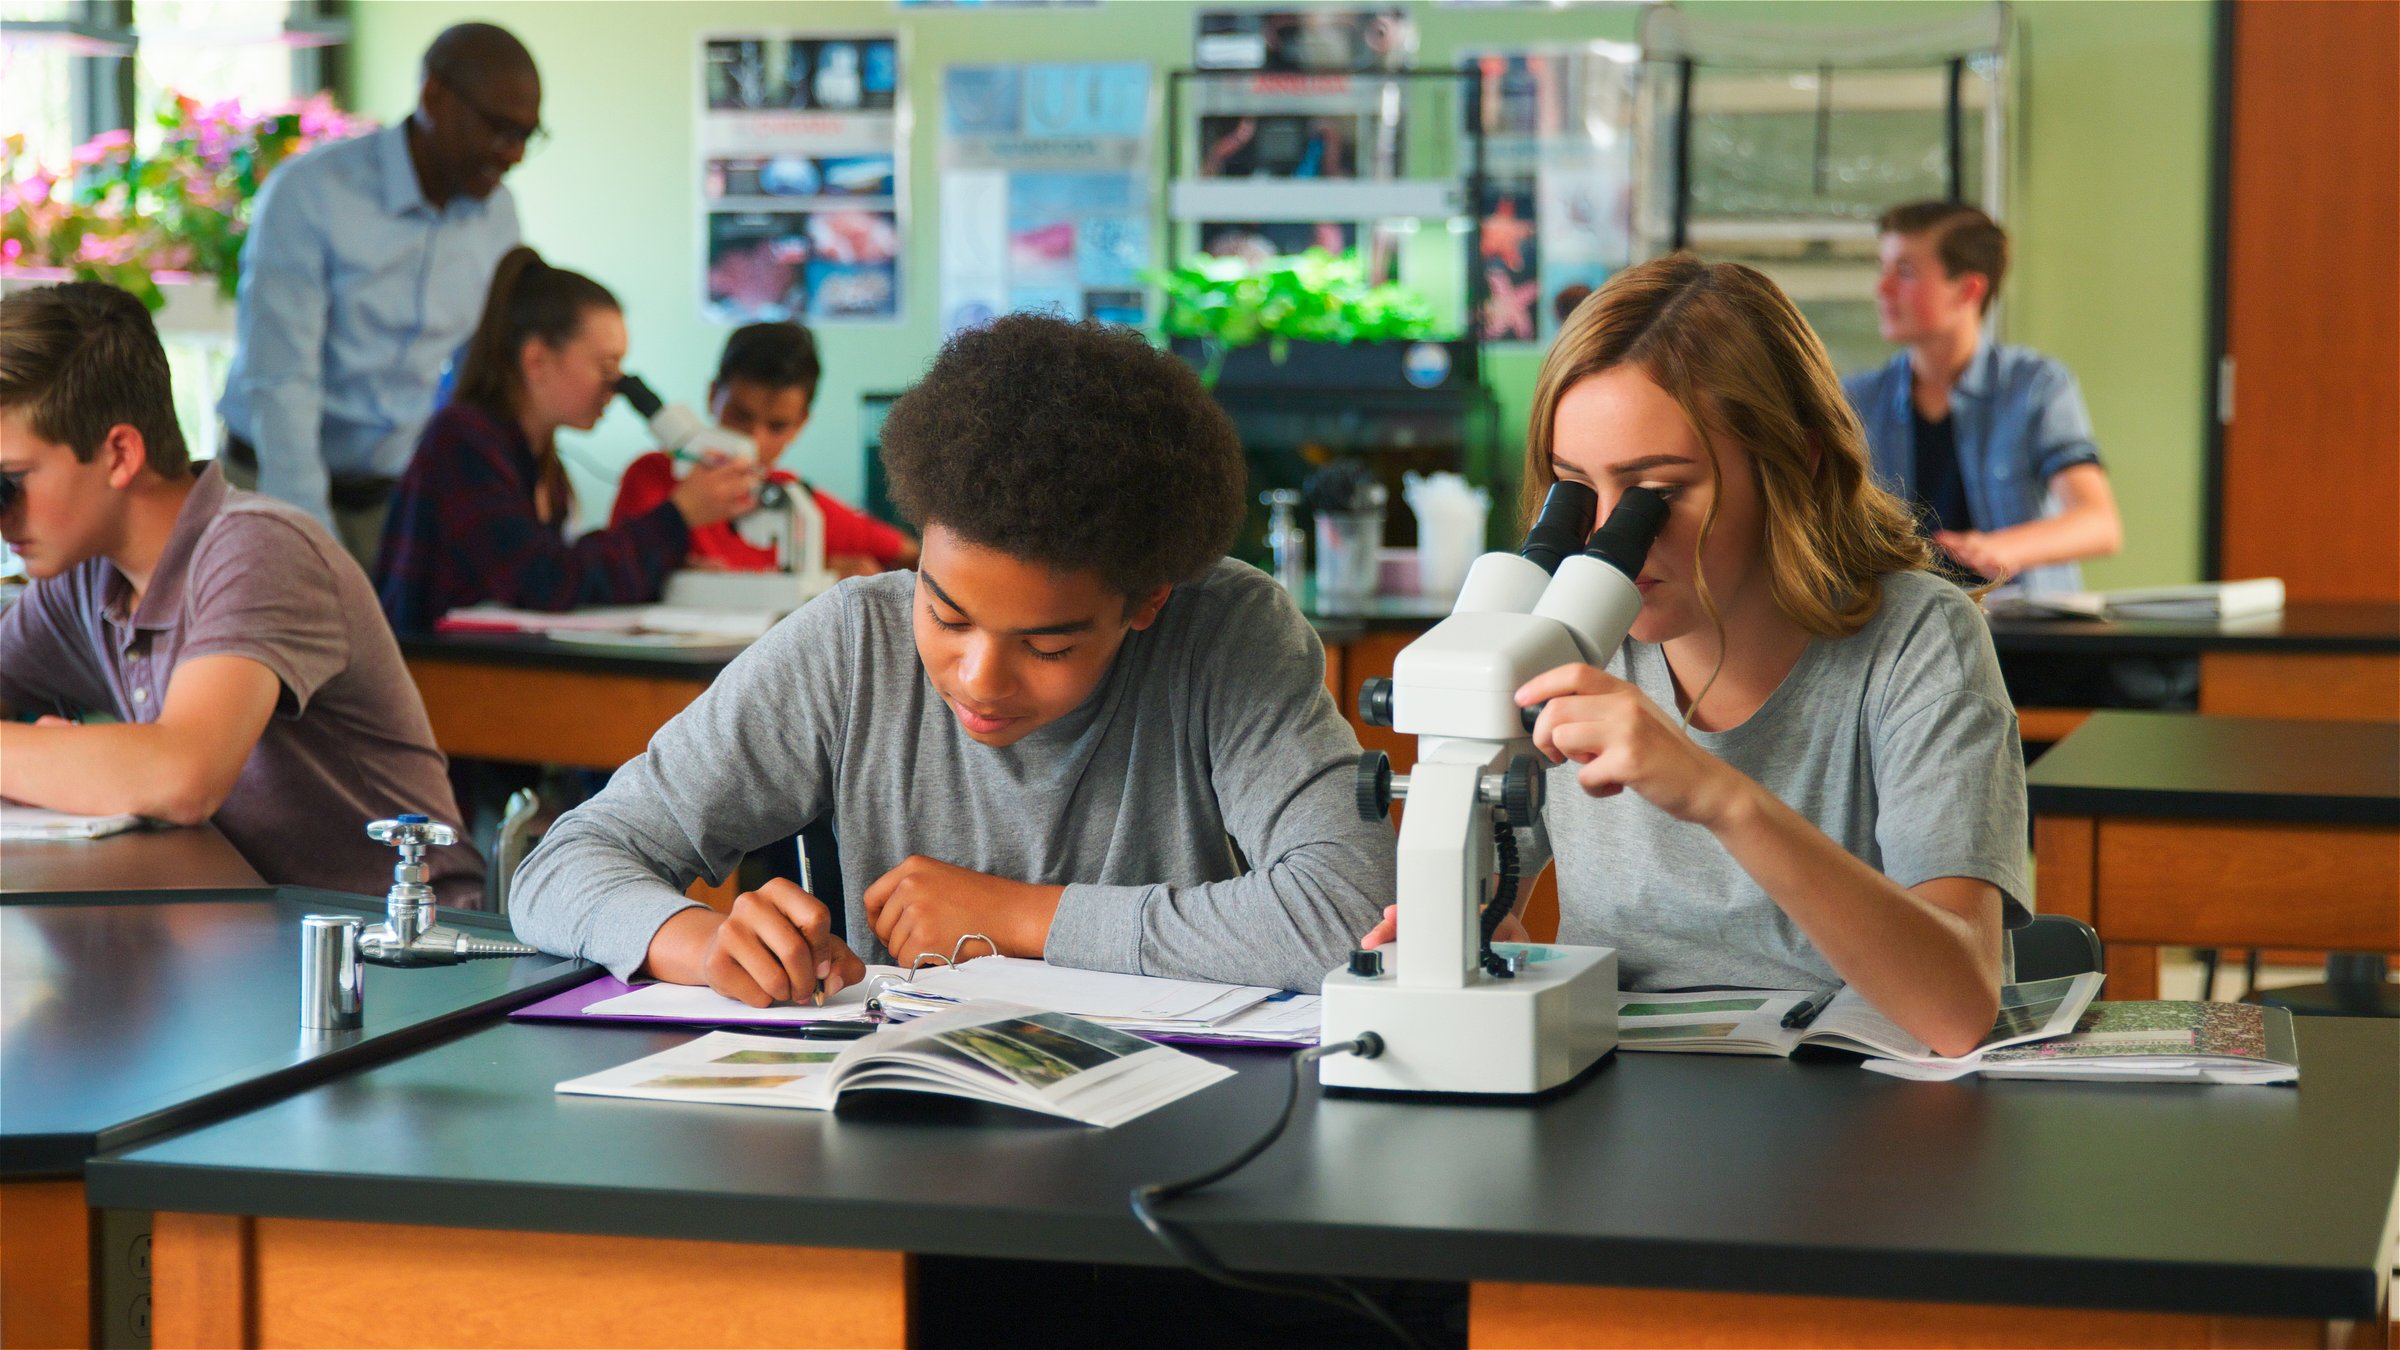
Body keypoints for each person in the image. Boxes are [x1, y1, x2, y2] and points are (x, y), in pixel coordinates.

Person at [509, 314, 1395, 1001]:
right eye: (946, 612)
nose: (979, 680)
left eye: (1048, 644)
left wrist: (1012, 915)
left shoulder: (1228, 635)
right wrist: (703, 944)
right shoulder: (856, 641)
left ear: (1146, 601)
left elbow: (1351, 911)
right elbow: (565, 864)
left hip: (1161, 1148)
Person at [1365, 255, 2029, 1058]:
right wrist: (1471, 932)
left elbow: (1957, 1009)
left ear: (1795, 466)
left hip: (1853, 1114)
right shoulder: (1557, 637)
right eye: (1577, 489)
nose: (1612, 537)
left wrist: (1721, 798)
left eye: (1659, 492)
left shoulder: (1919, 641)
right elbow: (1492, 896)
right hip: (1619, 1099)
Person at [0, 282, 482, 904]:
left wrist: (61, 757)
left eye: (9, 481)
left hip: (393, 952)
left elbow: (181, 775)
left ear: (119, 453)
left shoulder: (261, 548)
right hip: (240, 927)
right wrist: (53, 757)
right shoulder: (88, 578)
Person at [216, 22, 541, 571]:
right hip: (271, 481)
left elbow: (475, 375)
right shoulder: (312, 193)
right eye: (497, 128)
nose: (512, 153)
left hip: (391, 497)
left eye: (526, 135)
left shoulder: (498, 217)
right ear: (433, 96)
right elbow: (283, 381)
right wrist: (312, 538)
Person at [374, 247, 757, 634]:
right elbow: (544, 581)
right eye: (606, 367)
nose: (615, 387)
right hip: (436, 673)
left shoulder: (540, 460)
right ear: (537, 360)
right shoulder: (462, 439)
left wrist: (664, 567)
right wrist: (679, 514)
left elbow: (561, 568)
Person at [1843, 200, 2122, 595]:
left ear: (1969, 289)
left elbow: (2098, 524)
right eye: (1882, 269)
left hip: (2021, 637)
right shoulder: (1855, 399)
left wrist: (1998, 548)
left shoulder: (2036, 385)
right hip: (1907, 638)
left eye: (1904, 272)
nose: (1882, 289)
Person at [608, 322, 917, 578]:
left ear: (801, 423)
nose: (754, 441)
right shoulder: (651, 478)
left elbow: (914, 553)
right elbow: (620, 574)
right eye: (741, 416)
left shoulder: (789, 495)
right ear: (713, 394)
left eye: (777, 426)